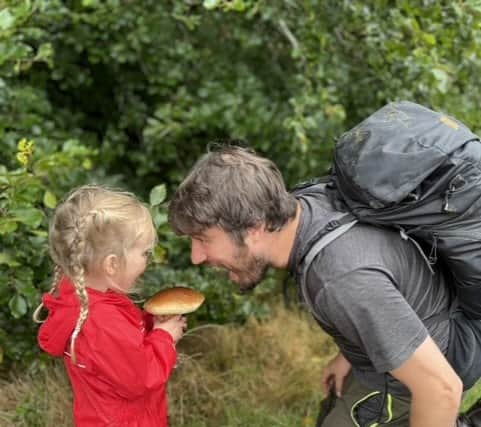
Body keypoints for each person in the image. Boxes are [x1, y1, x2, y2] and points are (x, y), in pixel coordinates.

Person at [168, 144, 481, 427]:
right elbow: (383, 278)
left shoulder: (340, 279)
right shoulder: (309, 204)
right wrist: (350, 353)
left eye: (204, 239)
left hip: (421, 381)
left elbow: (441, 389)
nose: (197, 257)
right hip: (407, 345)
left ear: (254, 227)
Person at [34, 185, 186, 427]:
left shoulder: (89, 300)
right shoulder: (100, 321)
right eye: (145, 253)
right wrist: (164, 337)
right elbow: (141, 377)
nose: (149, 260)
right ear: (112, 264)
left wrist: (150, 323)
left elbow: (122, 346)